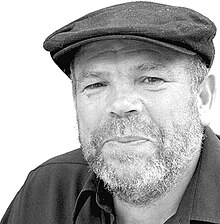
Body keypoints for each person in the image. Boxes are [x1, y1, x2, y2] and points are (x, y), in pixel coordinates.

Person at [1, 1, 219, 224]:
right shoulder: (45, 193)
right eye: (96, 84)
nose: (121, 104)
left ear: (203, 97)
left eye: (151, 79)